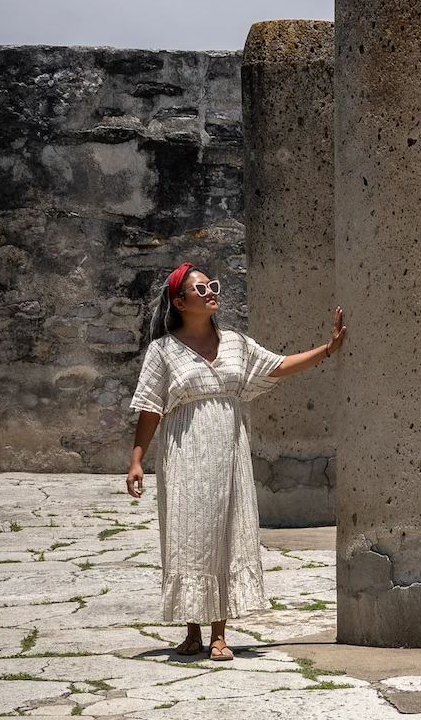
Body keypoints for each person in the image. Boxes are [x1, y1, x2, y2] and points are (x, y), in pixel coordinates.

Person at [126, 262, 346, 660]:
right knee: (187, 536)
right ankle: (191, 631)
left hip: (228, 451)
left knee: (227, 531)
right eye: (201, 288)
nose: (212, 292)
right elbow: (150, 408)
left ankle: (219, 635)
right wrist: (137, 460)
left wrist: (327, 350)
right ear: (179, 301)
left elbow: (278, 366)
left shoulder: (235, 344)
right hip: (185, 455)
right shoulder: (162, 350)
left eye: (213, 285)